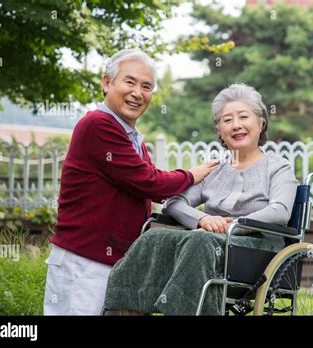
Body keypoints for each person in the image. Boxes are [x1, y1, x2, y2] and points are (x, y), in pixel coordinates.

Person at [43, 49, 219, 315]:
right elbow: (148, 181)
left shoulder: (132, 136)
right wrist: (192, 175)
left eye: (146, 86)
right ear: (106, 82)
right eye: (130, 82)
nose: (138, 93)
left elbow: (148, 186)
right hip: (85, 259)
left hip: (112, 260)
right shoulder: (99, 125)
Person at [103, 83, 298, 315]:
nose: (236, 125)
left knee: (199, 242)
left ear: (260, 123)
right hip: (208, 242)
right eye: (227, 120)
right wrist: (202, 219)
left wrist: (231, 226)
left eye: (243, 117)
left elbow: (280, 211)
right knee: (154, 236)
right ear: (219, 131)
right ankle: (126, 308)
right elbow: (174, 203)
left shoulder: (278, 167)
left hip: (257, 250)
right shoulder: (214, 170)